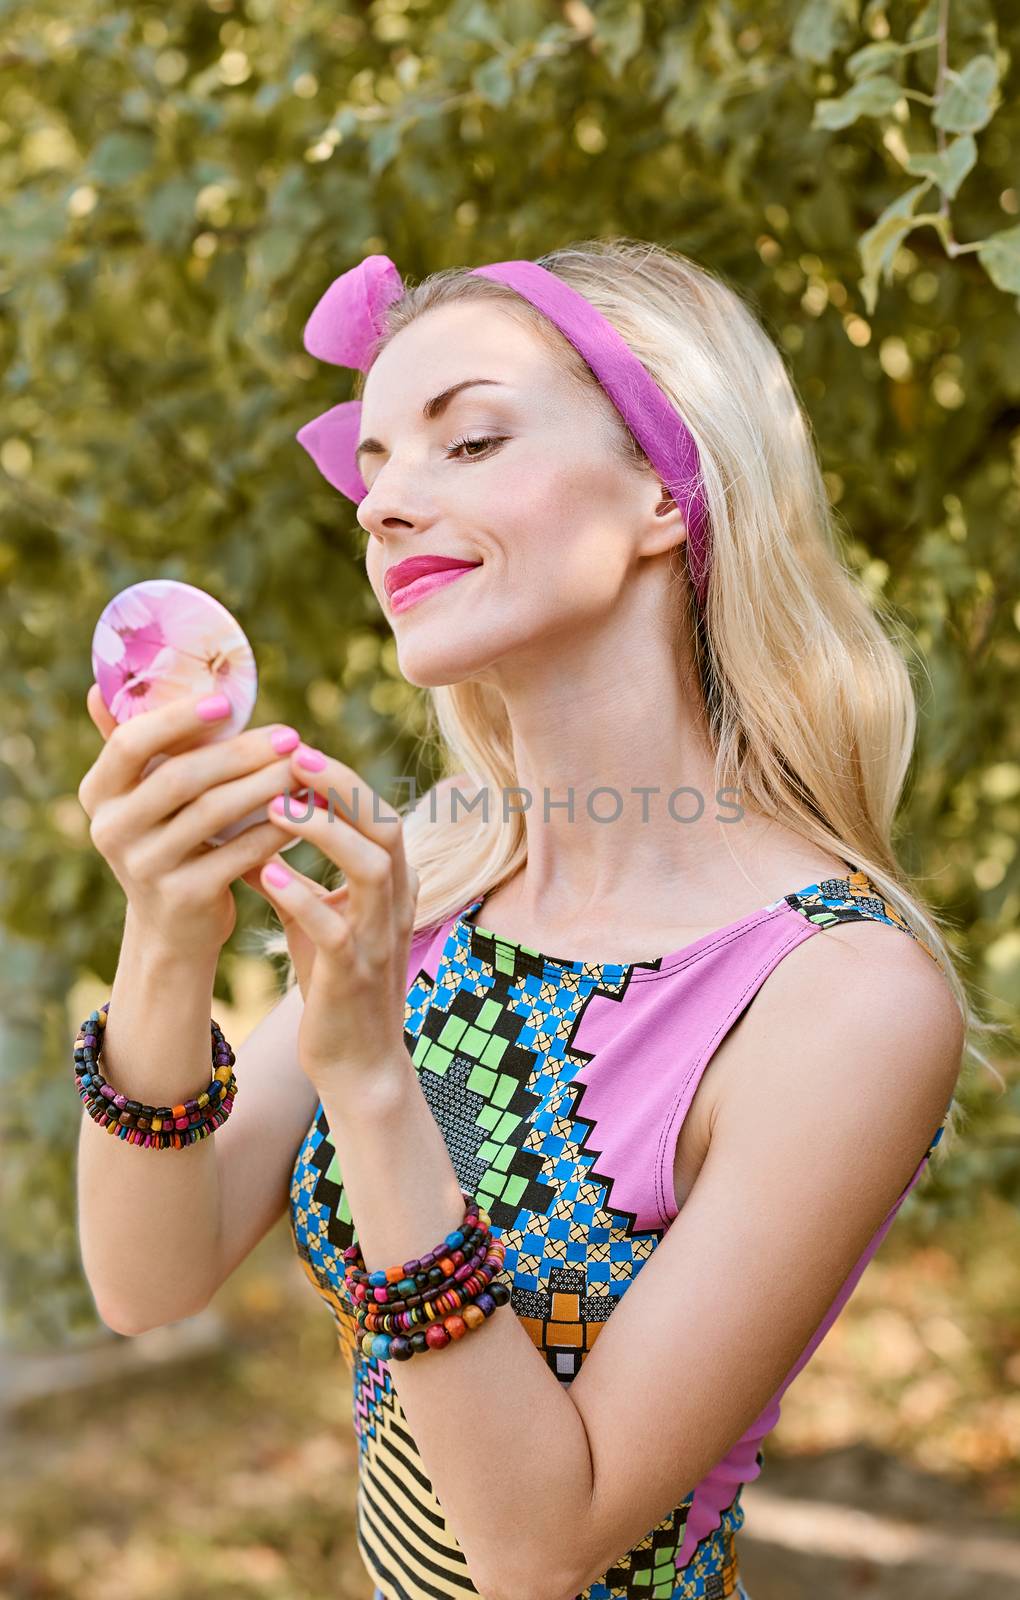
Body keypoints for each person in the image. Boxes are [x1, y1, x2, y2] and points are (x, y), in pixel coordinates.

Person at [77, 239, 995, 1600]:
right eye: (374, 462)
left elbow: (537, 1546)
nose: (384, 505)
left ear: (663, 494)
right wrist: (167, 934)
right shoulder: (443, 864)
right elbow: (150, 1278)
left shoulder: (839, 994)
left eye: (469, 441)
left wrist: (378, 1085)